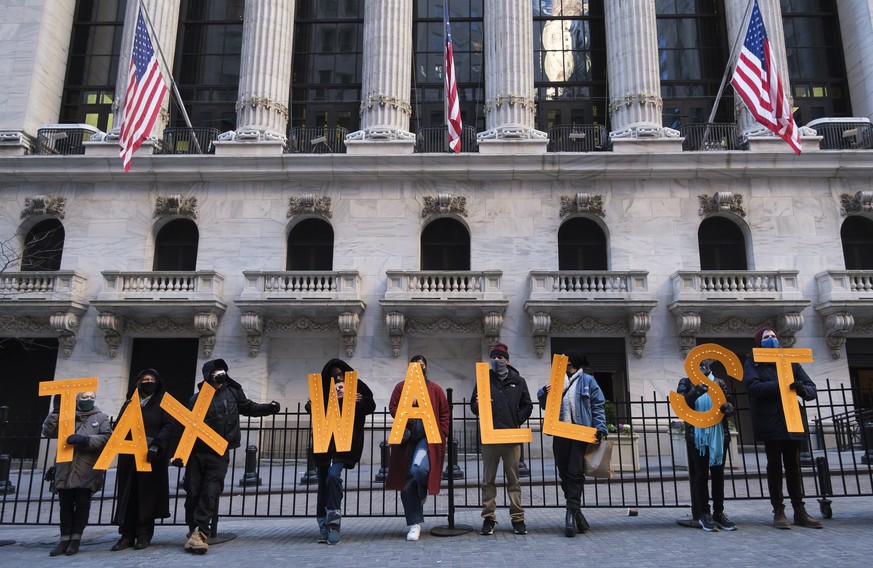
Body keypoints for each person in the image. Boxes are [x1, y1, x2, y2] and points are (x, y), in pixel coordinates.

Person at [181, 359, 281, 554]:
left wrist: (269, 408)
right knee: (193, 491)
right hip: (197, 452)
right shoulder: (196, 399)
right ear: (208, 374)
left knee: (211, 490)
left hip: (219, 451)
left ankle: (200, 533)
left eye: (223, 370)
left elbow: (248, 407)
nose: (220, 373)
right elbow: (186, 429)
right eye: (216, 371)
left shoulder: (233, 392)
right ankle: (193, 530)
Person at [744, 328, 823, 530]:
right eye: (766, 337)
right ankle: (778, 510)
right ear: (759, 343)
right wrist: (780, 384)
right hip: (770, 422)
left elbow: (811, 389)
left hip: (792, 421)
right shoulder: (754, 362)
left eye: (774, 336)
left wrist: (801, 388)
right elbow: (752, 387)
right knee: (774, 467)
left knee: (794, 467)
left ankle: (799, 510)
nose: (772, 339)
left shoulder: (791, 361)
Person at [536, 351, 607, 537]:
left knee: (575, 472)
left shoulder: (588, 381)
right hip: (560, 433)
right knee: (564, 473)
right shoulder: (557, 380)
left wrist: (600, 428)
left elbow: (598, 405)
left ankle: (569, 514)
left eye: (565, 362)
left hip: (579, 433)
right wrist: (544, 392)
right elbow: (544, 404)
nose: (561, 365)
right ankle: (577, 513)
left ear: (572, 363)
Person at [305, 358, 376, 545]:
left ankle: (333, 523)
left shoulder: (356, 388)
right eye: (333, 376)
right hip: (324, 445)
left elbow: (371, 405)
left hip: (343, 446)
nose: (338, 379)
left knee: (333, 477)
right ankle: (323, 525)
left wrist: (361, 401)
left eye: (340, 375)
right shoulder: (324, 392)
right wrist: (311, 405)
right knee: (322, 485)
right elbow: (312, 407)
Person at [471, 342, 533, 536]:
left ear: (507, 360)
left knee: (513, 480)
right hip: (490, 437)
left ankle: (518, 518)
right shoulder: (483, 379)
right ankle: (489, 518)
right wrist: (479, 405)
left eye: (500, 357)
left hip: (511, 437)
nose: (496, 360)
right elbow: (473, 406)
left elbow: (527, 405)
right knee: (488, 480)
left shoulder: (518, 380)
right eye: (494, 357)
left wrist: (516, 419)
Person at [386, 355, 450, 541]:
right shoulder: (401, 387)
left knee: (419, 470)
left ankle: (420, 495)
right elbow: (392, 407)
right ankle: (414, 524)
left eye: (421, 365)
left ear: (426, 367)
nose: (418, 368)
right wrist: (405, 417)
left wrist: (442, 433)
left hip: (427, 439)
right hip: (406, 439)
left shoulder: (434, 389)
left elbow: (445, 412)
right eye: (414, 365)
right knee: (407, 480)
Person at [110, 368, 175, 551]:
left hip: (151, 456)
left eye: (151, 379)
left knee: (147, 496)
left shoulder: (162, 402)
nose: (148, 381)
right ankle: (126, 534)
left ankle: (144, 534)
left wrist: (157, 444)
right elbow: (119, 426)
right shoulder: (130, 402)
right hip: (130, 457)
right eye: (145, 379)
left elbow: (169, 425)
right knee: (128, 496)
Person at [42, 390, 111, 556]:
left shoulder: (101, 418)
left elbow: (107, 438)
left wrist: (87, 440)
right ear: (77, 399)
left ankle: (75, 539)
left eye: (91, 397)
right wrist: (56, 412)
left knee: (82, 503)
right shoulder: (67, 416)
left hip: (87, 468)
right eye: (84, 397)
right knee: (64, 504)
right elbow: (48, 432)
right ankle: (64, 539)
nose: (88, 400)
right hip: (65, 467)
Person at [675, 360, 736, 532]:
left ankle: (719, 512)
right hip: (697, 436)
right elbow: (682, 406)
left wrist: (728, 408)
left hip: (718, 434)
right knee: (701, 475)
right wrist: (696, 390)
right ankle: (704, 513)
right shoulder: (686, 382)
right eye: (700, 365)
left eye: (707, 364)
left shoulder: (719, 382)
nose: (704, 367)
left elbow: (729, 406)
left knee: (718, 475)